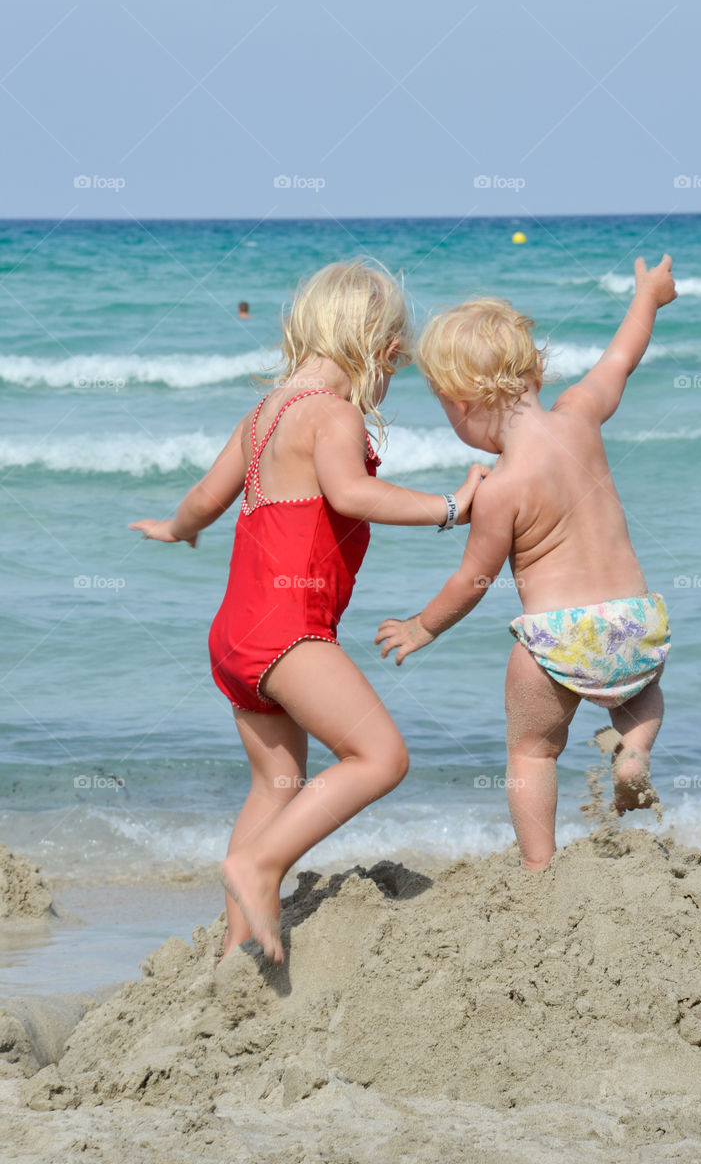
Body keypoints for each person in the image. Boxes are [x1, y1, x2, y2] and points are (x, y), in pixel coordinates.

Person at [131, 260, 488, 960]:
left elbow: (206, 499)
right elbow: (355, 497)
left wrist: (176, 529)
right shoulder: (334, 414)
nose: (388, 380)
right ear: (380, 350)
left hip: (235, 634)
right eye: (395, 364)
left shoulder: (263, 414)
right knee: (380, 757)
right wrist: (451, 507)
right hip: (289, 632)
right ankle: (259, 868)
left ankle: (238, 948)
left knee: (277, 783)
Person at [375, 256, 677, 872]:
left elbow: (474, 578)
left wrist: (424, 626)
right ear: (535, 369)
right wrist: (647, 298)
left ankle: (540, 868)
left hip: (555, 638)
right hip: (634, 625)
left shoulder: (502, 488)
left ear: (460, 404)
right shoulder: (580, 415)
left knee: (533, 752)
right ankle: (635, 751)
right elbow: (621, 359)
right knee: (641, 701)